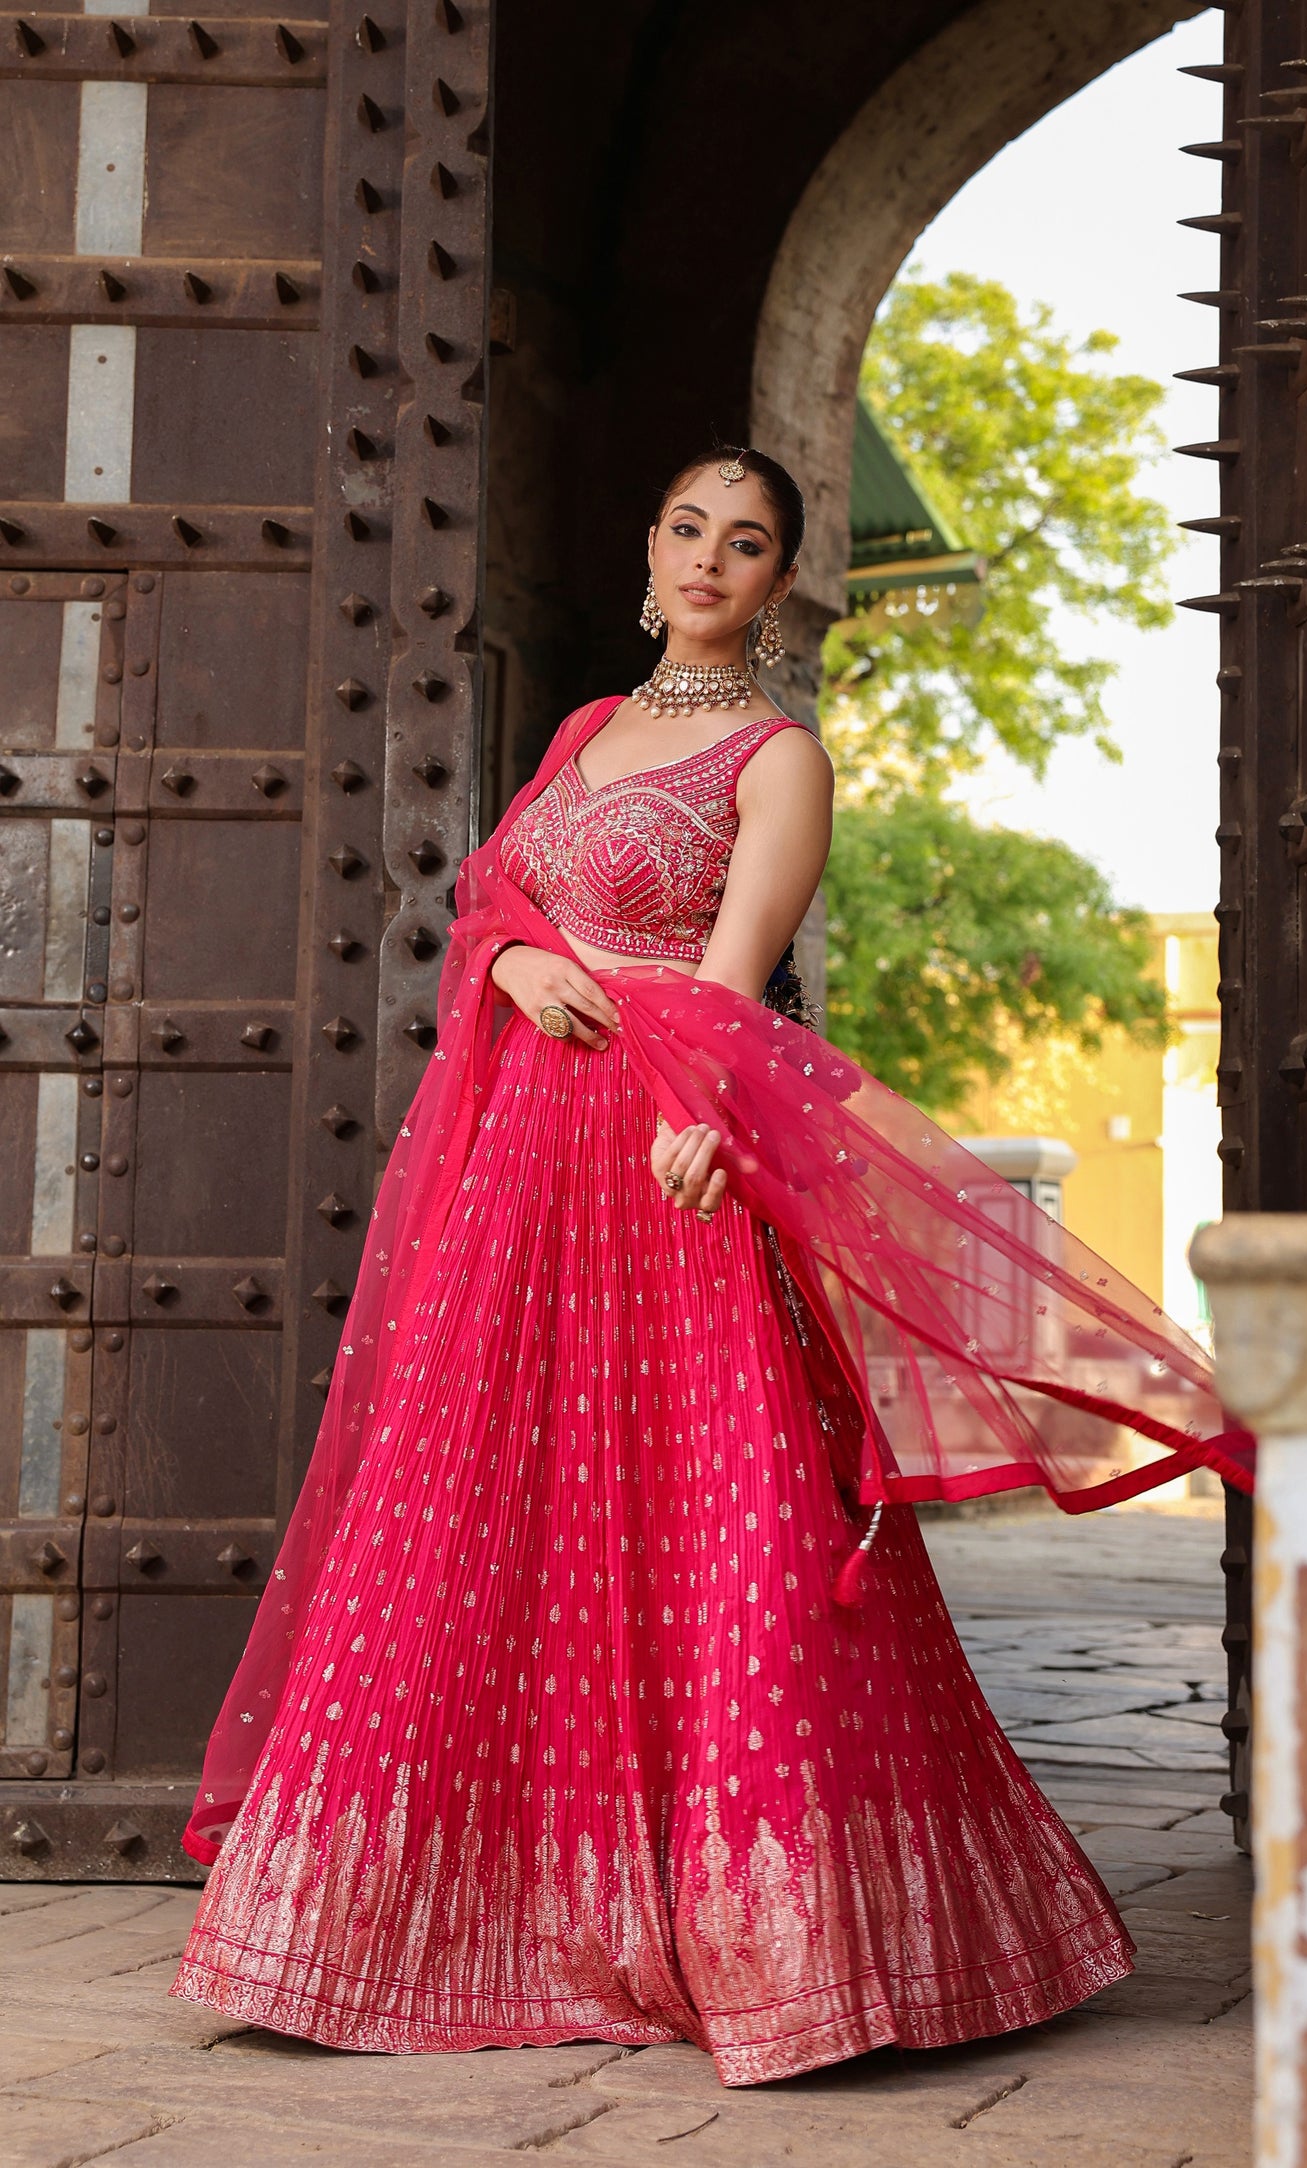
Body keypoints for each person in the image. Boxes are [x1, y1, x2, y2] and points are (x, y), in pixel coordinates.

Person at [172, 447, 1249, 2082]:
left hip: (670, 1175)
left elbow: (731, 987)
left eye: (744, 543)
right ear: (652, 544)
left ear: (777, 581)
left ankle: (786, 1945)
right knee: (468, 1502)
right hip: (519, 1168)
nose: (706, 558)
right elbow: (486, 895)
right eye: (686, 526)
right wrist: (523, 957)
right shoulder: (585, 735)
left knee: (712, 1514)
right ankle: (385, 1923)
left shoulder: (779, 757)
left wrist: (715, 1129)